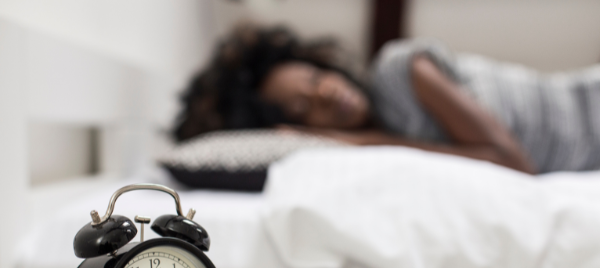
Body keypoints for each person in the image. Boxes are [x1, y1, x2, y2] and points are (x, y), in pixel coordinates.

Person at [172, 24, 600, 174]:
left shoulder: (400, 70)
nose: (326, 92)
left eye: (316, 77)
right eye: (305, 107)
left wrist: (365, 142)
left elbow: (513, 162)